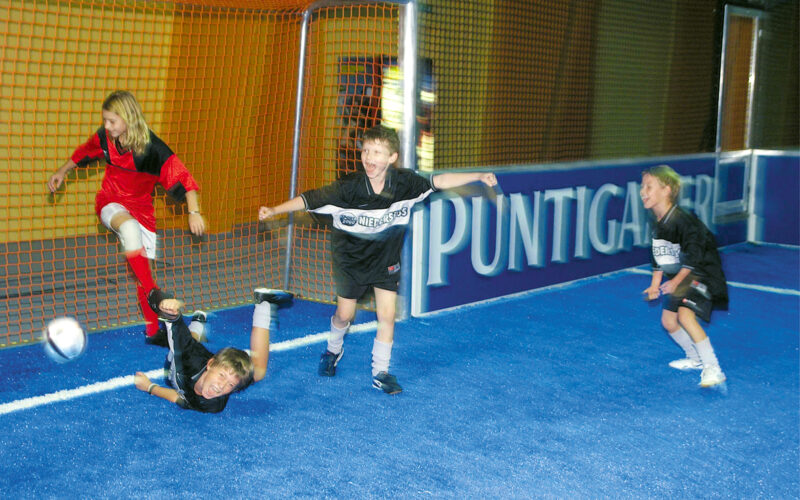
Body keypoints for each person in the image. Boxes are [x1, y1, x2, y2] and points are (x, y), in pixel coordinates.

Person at [258, 125, 498, 395]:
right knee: (344, 314)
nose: (370, 158)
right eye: (366, 151)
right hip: (350, 261)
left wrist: (478, 175)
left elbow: (438, 181)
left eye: (378, 152)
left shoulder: (406, 184)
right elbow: (308, 199)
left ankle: (380, 372)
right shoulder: (348, 188)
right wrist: (275, 210)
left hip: (385, 261)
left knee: (387, 316)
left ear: (392, 158)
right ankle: (332, 350)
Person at [47, 90, 205, 343]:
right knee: (129, 231)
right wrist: (61, 172)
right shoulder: (105, 138)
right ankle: (155, 293)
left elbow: (184, 178)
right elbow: (82, 154)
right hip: (110, 201)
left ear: (128, 117)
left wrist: (193, 212)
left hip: (142, 209)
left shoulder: (153, 149)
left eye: (112, 121)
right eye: (105, 121)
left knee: (143, 271)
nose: (106, 126)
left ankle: (153, 332)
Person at [133, 287, 292, 413]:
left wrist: (149, 387)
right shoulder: (188, 357)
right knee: (188, 342)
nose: (222, 386)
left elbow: (178, 398)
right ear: (210, 364)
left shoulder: (214, 404)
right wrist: (168, 308)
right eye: (222, 376)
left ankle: (262, 303)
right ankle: (264, 305)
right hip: (185, 358)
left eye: (230, 385)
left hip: (188, 364)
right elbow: (175, 326)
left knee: (254, 373)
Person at [640, 165, 728, 388]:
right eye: (642, 186)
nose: (643, 191)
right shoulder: (658, 222)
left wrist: (676, 282)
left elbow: (695, 257)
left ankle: (713, 368)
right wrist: (654, 285)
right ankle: (695, 359)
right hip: (682, 277)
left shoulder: (684, 222)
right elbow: (658, 256)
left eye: (649, 186)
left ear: (666, 190)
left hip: (703, 274)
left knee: (685, 316)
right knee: (668, 322)